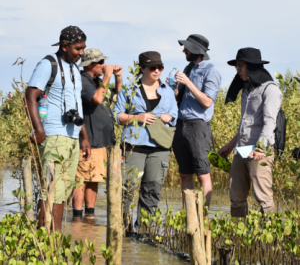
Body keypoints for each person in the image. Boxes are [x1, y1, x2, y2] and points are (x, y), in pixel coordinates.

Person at [25, 26, 91, 231]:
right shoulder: (48, 64)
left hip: (72, 137)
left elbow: (76, 106)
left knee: (64, 192)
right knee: (51, 191)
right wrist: (39, 129)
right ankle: (45, 243)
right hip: (53, 136)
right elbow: (30, 96)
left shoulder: (74, 69)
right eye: (78, 49)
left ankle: (54, 241)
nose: (81, 53)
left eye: (83, 48)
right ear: (65, 46)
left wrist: (84, 137)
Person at [113, 51, 178, 227]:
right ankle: (123, 230)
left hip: (160, 148)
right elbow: (116, 115)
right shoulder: (129, 89)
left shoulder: (168, 91)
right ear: (142, 69)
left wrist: (170, 117)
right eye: (152, 68)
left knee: (152, 191)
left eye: (160, 67)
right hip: (134, 145)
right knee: (128, 190)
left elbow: (175, 114)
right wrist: (137, 118)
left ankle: (145, 232)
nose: (157, 71)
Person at [218, 47, 283, 218]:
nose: (238, 70)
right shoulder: (245, 90)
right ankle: (238, 240)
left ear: (252, 67)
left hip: (260, 150)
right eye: (236, 66)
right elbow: (245, 124)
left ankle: (271, 241)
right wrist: (230, 146)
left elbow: (270, 122)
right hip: (242, 149)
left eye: (241, 66)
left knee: (264, 199)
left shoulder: (270, 90)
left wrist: (260, 148)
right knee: (236, 197)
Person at [171, 34, 221, 208]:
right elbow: (180, 98)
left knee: (202, 174)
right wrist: (175, 88)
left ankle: (203, 215)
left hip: (198, 126)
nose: (184, 50)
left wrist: (189, 83)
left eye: (187, 48)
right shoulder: (188, 68)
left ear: (198, 51)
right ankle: (188, 215)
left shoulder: (211, 71)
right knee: (185, 174)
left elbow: (207, 102)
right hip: (181, 124)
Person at [72, 48, 123, 218]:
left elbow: (114, 97)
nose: (104, 65)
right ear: (89, 65)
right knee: (81, 179)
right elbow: (97, 99)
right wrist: (107, 76)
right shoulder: (82, 80)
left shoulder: (96, 81)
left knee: (94, 179)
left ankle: (90, 216)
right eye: (100, 62)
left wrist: (117, 77)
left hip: (102, 140)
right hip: (88, 140)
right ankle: (77, 217)